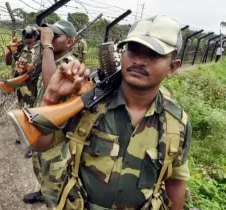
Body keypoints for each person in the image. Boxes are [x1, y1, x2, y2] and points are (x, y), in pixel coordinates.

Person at [30, 15, 192, 210]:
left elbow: (175, 180)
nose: (139, 60)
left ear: (173, 67)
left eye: (153, 54)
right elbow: (39, 144)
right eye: (133, 49)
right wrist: (52, 96)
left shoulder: (177, 123)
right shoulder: (89, 101)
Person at [17, 20, 78, 205]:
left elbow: (53, 84)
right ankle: (43, 191)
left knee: (56, 178)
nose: (49, 37)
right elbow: (35, 87)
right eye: (48, 34)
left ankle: (52, 198)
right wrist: (21, 72)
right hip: (42, 128)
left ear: (70, 42)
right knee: (39, 166)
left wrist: (46, 45)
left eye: (55, 36)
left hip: (57, 137)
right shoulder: (48, 60)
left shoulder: (70, 64)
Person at [12, 25, 42, 158]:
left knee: (30, 114)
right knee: (21, 111)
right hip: (21, 85)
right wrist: (10, 50)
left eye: (28, 34)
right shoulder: (22, 48)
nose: (25, 36)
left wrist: (27, 70)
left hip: (31, 87)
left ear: (35, 36)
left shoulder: (41, 49)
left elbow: (38, 68)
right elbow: (12, 62)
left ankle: (31, 145)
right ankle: (23, 135)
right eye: (25, 34)